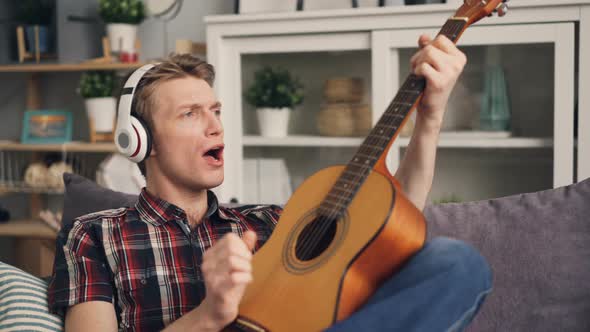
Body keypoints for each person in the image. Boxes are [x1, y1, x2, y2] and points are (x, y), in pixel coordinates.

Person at [48, 34, 491, 332]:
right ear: (140, 141)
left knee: (456, 262)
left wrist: (429, 117)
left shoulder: (272, 222)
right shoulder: (96, 234)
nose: (215, 126)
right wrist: (210, 315)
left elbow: (393, 226)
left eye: (216, 111)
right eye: (190, 114)